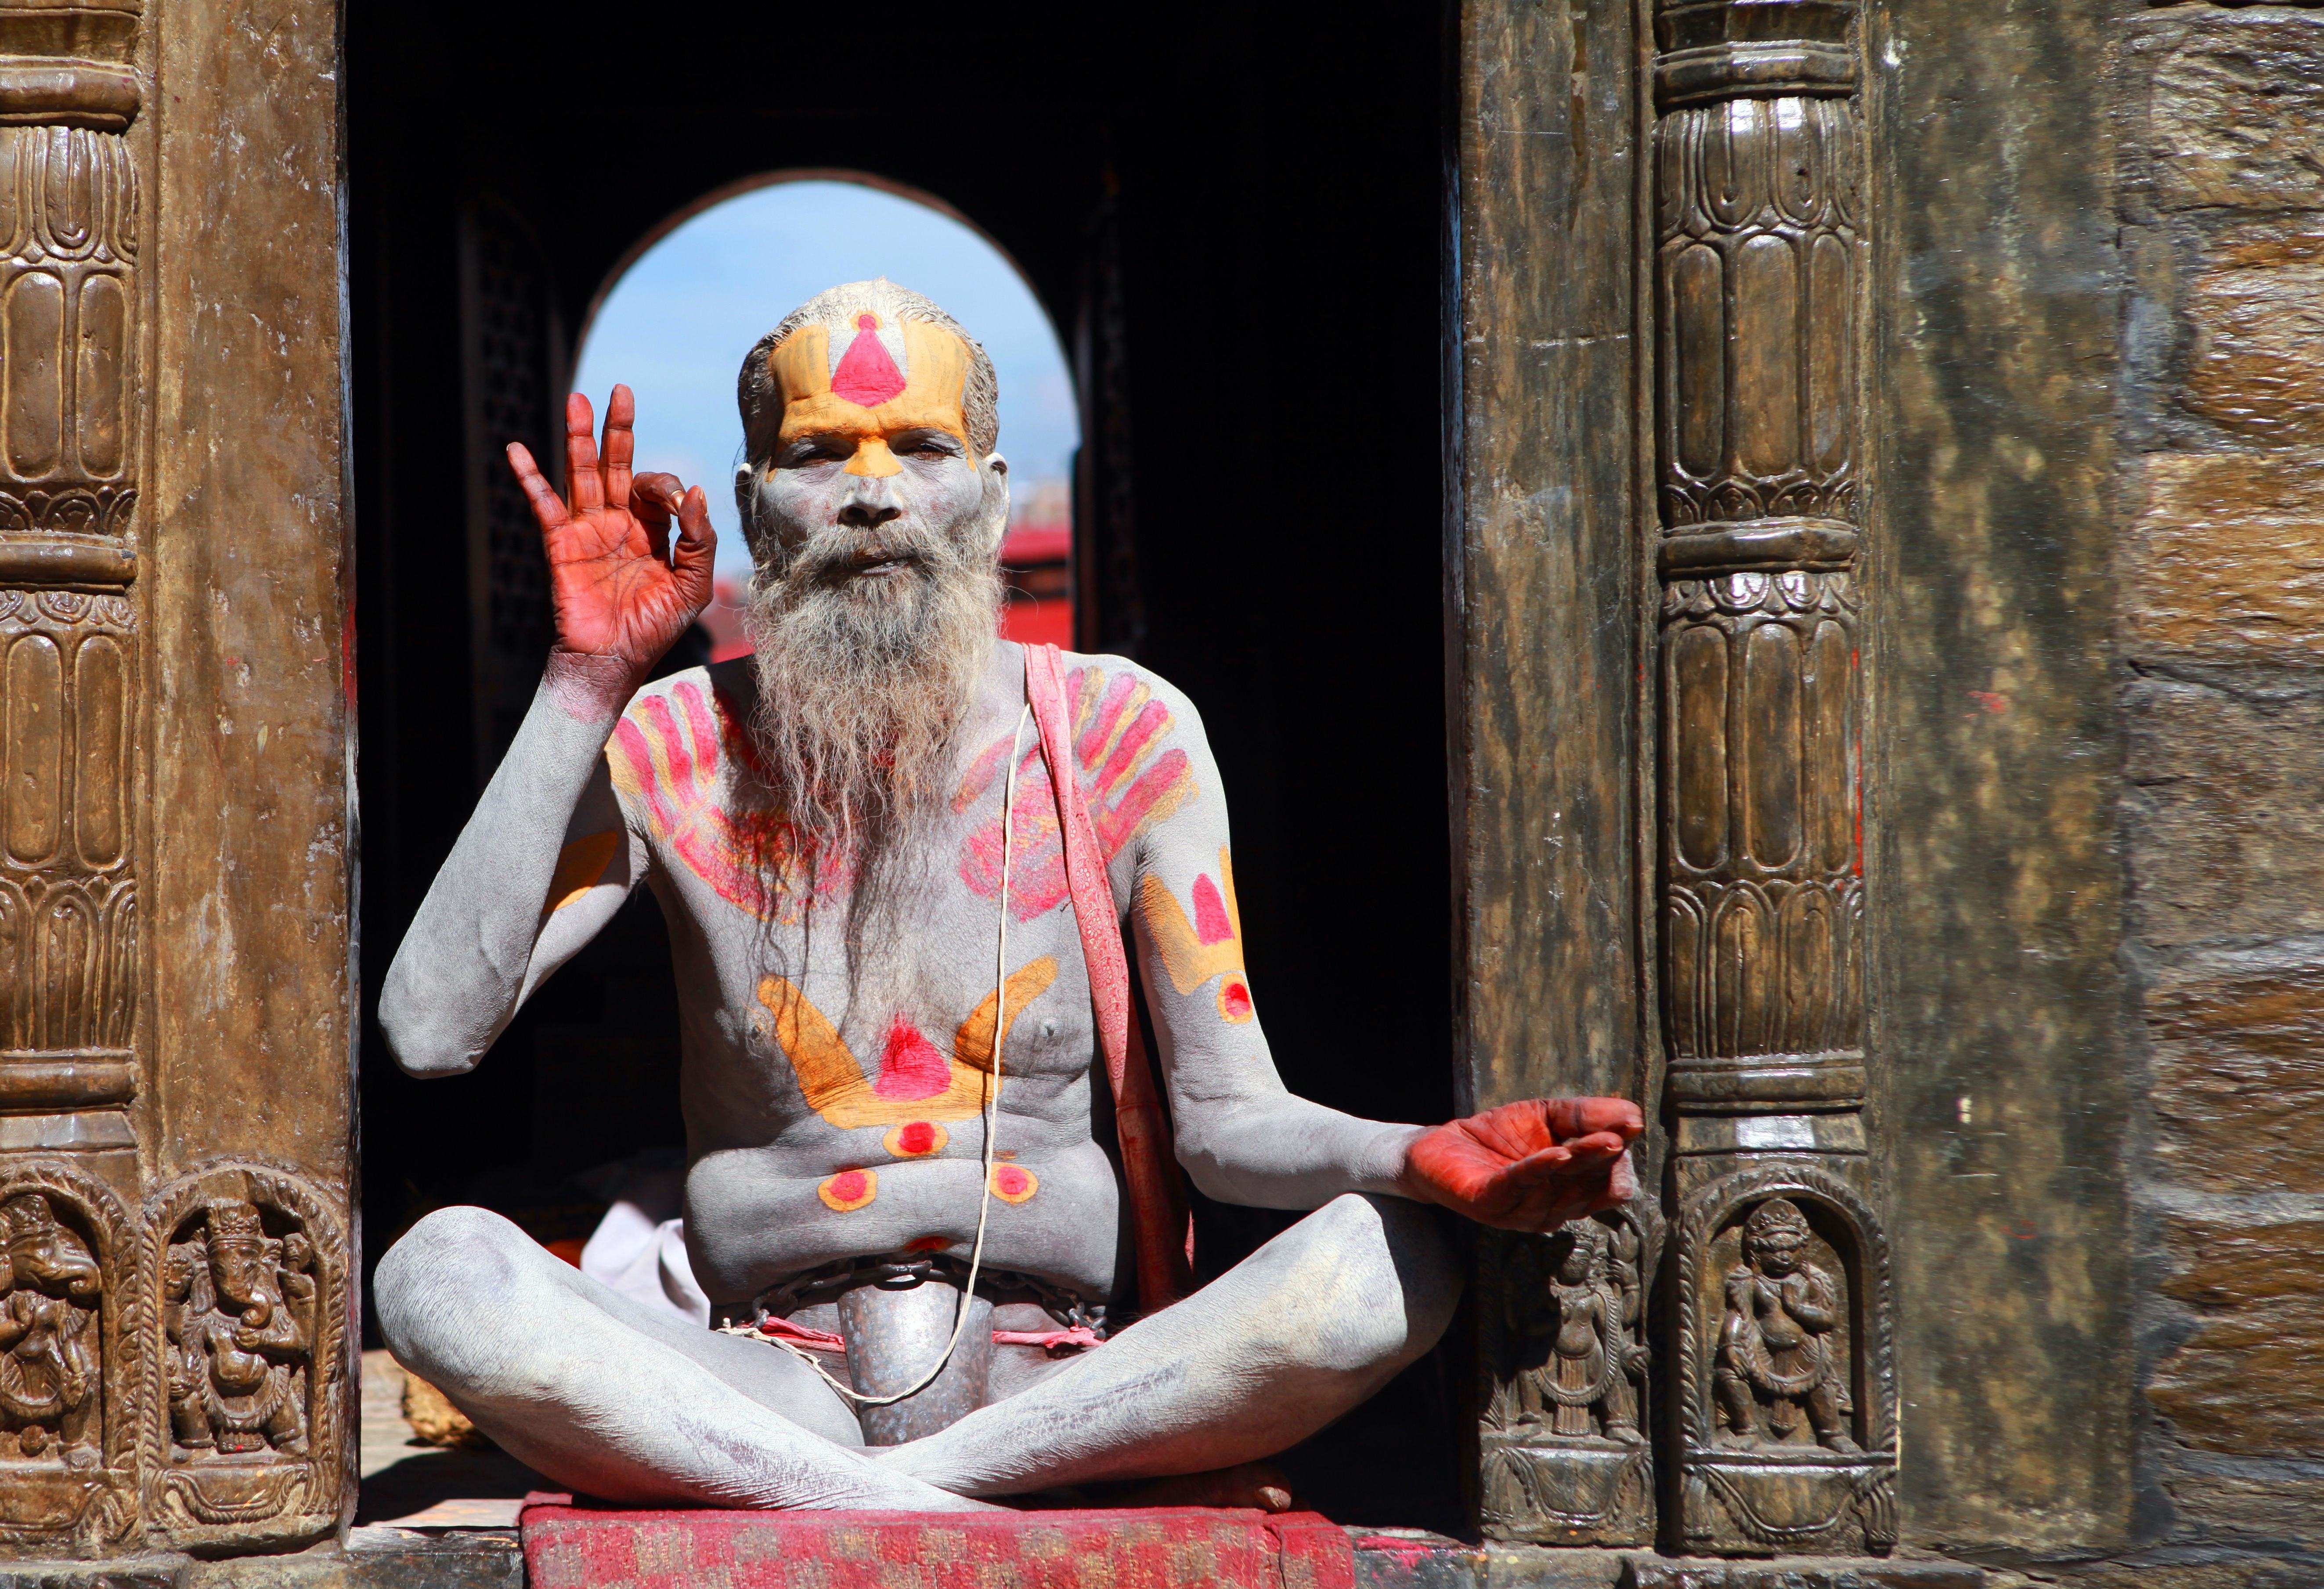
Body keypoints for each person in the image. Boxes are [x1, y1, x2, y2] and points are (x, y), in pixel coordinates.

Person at [373, 278, 1641, 1511]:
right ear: (756, 508)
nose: (872, 491)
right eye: (818, 453)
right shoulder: (674, 745)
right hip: (770, 1383)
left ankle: (869, 1502)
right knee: (439, 1273)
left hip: (1078, 1379)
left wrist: (1410, 1155)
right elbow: (428, 1033)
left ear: (986, 496)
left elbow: (1225, 1123)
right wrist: (583, 682)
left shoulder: (1121, 735)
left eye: (921, 447)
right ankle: (952, 1497)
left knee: (1395, 1257)